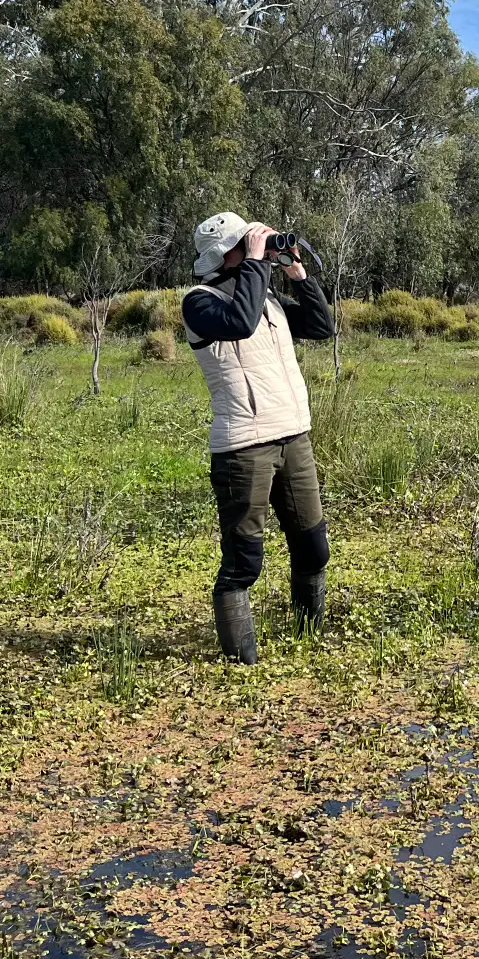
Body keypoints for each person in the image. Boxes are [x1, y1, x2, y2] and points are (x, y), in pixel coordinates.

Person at [182, 212, 336, 663]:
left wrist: (296, 273)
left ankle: (308, 640)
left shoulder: (264, 298)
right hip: (243, 446)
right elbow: (239, 322)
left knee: (313, 546)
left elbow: (321, 327)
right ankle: (240, 663)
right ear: (220, 255)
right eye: (243, 243)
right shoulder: (199, 302)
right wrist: (255, 261)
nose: (255, 247)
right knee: (243, 562)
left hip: (294, 436)